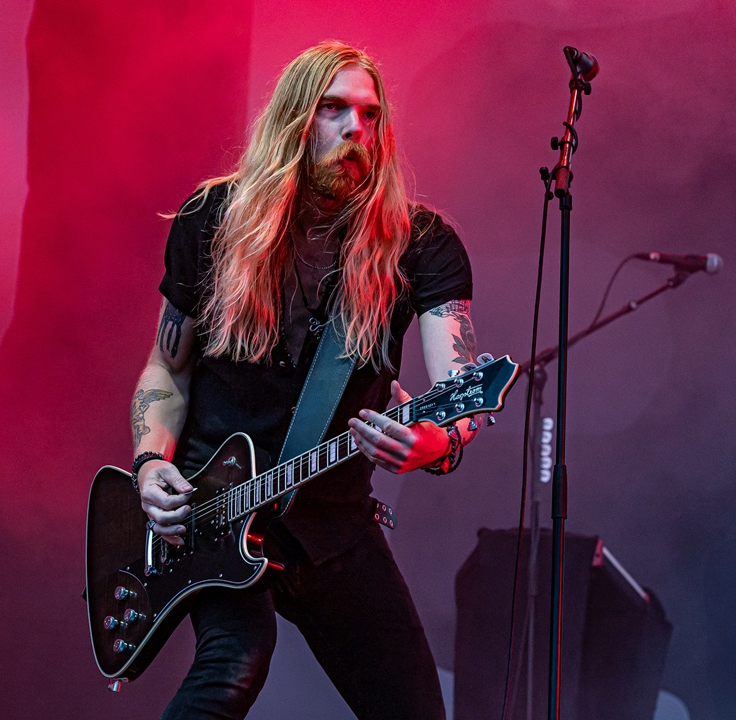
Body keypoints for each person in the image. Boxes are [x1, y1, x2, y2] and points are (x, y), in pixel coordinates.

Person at [129, 40, 483, 720]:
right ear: (294, 118)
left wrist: (436, 443)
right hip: (212, 506)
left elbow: (460, 392)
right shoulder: (213, 220)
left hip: (333, 521)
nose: (356, 130)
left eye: (371, 115)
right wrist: (150, 466)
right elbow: (166, 368)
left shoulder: (420, 245)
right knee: (234, 663)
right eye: (334, 110)